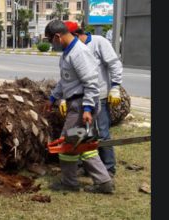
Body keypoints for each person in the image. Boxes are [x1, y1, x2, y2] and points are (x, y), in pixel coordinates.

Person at [43, 20, 114, 194]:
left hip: (82, 105)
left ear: (58, 37)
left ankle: (71, 183)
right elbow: (66, 80)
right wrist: (53, 97)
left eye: (50, 40)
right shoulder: (68, 53)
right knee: (81, 144)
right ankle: (103, 181)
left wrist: (88, 109)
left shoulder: (79, 53)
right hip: (76, 104)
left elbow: (91, 82)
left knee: (68, 143)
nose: (51, 44)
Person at [64, 21, 123, 177]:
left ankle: (109, 168)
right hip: (81, 99)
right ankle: (89, 167)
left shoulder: (99, 42)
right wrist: (65, 97)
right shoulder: (72, 49)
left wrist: (115, 87)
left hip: (100, 96)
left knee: (102, 133)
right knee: (84, 134)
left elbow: (114, 64)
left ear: (75, 35)